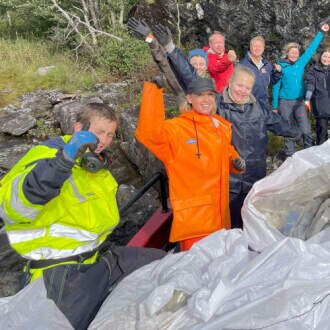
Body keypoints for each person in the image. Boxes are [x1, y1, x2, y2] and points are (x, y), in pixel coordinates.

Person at [0, 103, 165, 329]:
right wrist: (63, 161)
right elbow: (16, 204)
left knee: (161, 262)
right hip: (59, 272)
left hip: (98, 258)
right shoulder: (46, 157)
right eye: (99, 132)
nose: (104, 141)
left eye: (110, 134)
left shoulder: (94, 166)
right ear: (78, 128)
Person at [135, 77, 245, 251]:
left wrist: (235, 162)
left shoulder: (220, 126)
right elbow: (148, 133)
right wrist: (153, 91)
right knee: (196, 272)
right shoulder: (176, 128)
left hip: (220, 216)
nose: (206, 99)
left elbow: (227, 151)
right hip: (195, 221)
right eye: (200, 95)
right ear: (189, 98)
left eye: (210, 94)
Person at [272, 23, 329, 158]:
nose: (294, 54)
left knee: (305, 128)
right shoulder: (281, 65)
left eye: (296, 52)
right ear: (287, 53)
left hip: (299, 101)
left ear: (298, 54)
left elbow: (311, 49)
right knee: (288, 129)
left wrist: (321, 32)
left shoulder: (301, 62)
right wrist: (274, 106)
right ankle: (289, 155)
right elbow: (275, 86)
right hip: (284, 102)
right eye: (291, 52)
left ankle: (309, 153)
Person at [239, 35, 282, 112]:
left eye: (260, 46)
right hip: (248, 105)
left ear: (263, 48)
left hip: (263, 104)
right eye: (255, 46)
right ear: (250, 47)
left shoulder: (267, 64)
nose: (257, 48)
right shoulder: (242, 64)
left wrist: (278, 73)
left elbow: (271, 81)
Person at [305, 47, 330, 145]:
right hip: (320, 105)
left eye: (329, 57)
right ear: (320, 57)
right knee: (322, 131)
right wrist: (307, 99)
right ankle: (320, 155)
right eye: (325, 56)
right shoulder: (313, 70)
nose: (326, 59)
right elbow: (310, 84)